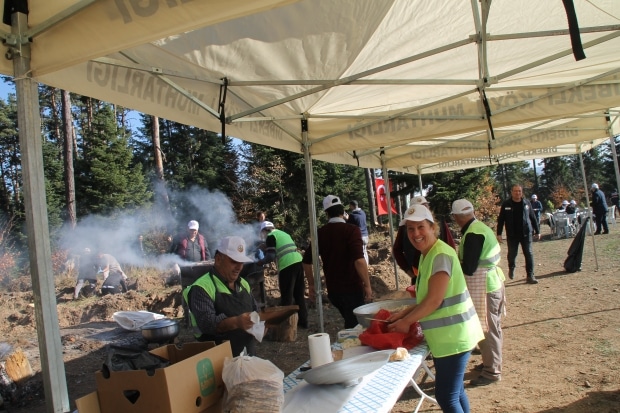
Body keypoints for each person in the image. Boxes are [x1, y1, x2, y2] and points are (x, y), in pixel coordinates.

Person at [386, 204, 484, 412]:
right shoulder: (427, 254)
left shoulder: (440, 255)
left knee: (446, 397)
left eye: (421, 227)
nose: (415, 234)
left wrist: (405, 322)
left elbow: (434, 301)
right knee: (455, 393)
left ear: (433, 227)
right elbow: (426, 298)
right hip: (449, 337)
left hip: (454, 337)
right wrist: (404, 314)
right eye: (410, 229)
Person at [451, 199, 506, 386]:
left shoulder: (474, 233)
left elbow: (470, 267)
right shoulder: (479, 227)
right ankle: (491, 363)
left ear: (457, 217)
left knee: (488, 329)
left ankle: (492, 372)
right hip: (491, 282)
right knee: (488, 327)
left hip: (485, 287)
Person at [302, 195, 372, 328]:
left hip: (334, 291)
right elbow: (359, 260)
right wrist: (367, 285)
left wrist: (311, 285)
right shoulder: (352, 230)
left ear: (327, 214)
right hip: (353, 289)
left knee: (351, 322)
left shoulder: (320, 233)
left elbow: (306, 262)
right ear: (342, 211)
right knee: (357, 327)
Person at [183, 236, 259, 356]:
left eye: (241, 262)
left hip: (247, 356)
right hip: (217, 362)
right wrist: (237, 322)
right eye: (234, 261)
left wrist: (261, 324)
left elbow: (255, 311)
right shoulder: (202, 287)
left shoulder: (243, 284)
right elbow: (208, 324)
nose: (239, 267)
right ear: (218, 259)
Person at [258, 221, 308, 328]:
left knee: (287, 297)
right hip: (298, 262)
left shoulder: (270, 236)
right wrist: (267, 247)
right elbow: (279, 247)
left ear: (264, 231)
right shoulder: (283, 233)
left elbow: (270, 256)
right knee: (299, 295)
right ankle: (303, 322)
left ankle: (286, 325)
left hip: (287, 265)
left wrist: (260, 262)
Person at [496, 184, 541, 284]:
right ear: (511, 192)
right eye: (515, 191)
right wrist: (499, 233)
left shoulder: (526, 203)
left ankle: (530, 276)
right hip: (512, 235)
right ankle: (511, 267)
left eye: (519, 191)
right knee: (512, 254)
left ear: (522, 192)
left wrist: (537, 231)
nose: (517, 193)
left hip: (526, 233)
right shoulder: (506, 204)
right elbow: (501, 220)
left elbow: (533, 218)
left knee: (529, 253)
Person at [393, 195, 429, 284]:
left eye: (425, 206)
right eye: (411, 229)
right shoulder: (404, 227)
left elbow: (450, 245)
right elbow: (397, 250)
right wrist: (409, 271)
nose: (416, 233)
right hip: (418, 276)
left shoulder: (439, 222)